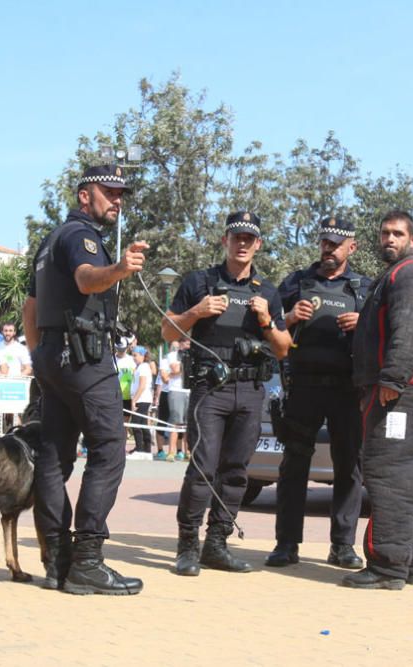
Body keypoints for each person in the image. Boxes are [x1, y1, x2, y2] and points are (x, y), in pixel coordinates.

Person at [21, 163, 146, 596]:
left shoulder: (49, 239)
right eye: (108, 192)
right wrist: (119, 270)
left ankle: (56, 561)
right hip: (84, 359)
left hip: (55, 360)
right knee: (110, 449)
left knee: (55, 458)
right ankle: (88, 562)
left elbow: (30, 308)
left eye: (120, 193)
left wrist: (39, 356)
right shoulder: (81, 237)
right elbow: (86, 280)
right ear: (84, 196)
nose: (117, 199)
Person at [162, 210, 291, 577]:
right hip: (210, 387)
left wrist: (266, 320)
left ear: (258, 245)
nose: (242, 244)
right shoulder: (200, 282)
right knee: (203, 467)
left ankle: (216, 544)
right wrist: (196, 312)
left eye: (249, 239)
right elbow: (168, 332)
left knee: (236, 472)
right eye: (236, 237)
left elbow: (283, 348)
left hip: (250, 389)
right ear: (225, 241)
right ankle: (187, 546)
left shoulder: (266, 292)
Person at [345, 209, 413, 590]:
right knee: (407, 478)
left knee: (387, 473)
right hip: (410, 389)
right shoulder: (399, 275)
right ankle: (410, 564)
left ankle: (387, 567)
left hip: (405, 391)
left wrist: (393, 379)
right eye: (384, 234)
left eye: (397, 234)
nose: (389, 239)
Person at [266, 216, 371, 570]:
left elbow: (383, 336)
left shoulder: (363, 288)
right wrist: (291, 317)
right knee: (294, 465)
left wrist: (364, 323)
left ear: (351, 247)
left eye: (336, 244)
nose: (329, 249)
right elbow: (266, 325)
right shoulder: (296, 282)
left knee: (348, 468)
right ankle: (286, 544)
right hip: (303, 386)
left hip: (347, 389)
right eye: (325, 242)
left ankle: (342, 545)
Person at [129, 345, 154, 459]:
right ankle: (147, 450)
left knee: (136, 424)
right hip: (142, 399)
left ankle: (140, 450)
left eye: (135, 355)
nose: (133, 357)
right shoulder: (139, 367)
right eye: (133, 355)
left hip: (142, 399)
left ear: (142, 356)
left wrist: (134, 400)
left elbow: (142, 385)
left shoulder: (144, 367)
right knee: (143, 424)